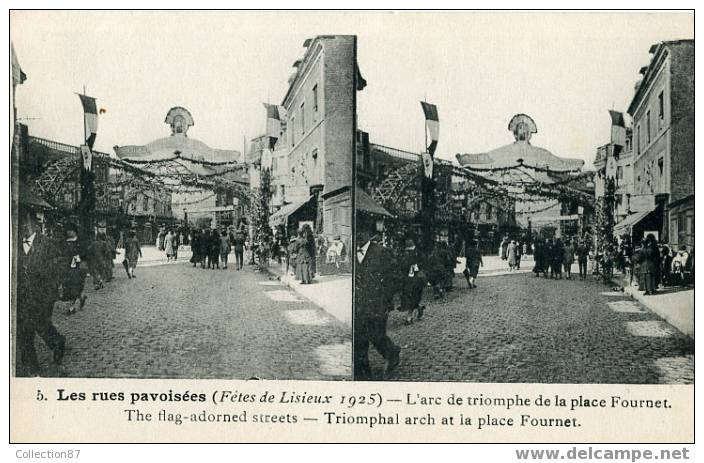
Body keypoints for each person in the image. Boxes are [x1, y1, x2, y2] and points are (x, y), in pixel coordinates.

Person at [16, 212, 66, 375]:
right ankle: (32, 368)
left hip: (42, 295)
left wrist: (50, 289)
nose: (23, 226)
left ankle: (57, 341)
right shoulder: (13, 244)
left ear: (35, 224)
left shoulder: (47, 244)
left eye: (26, 222)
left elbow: (58, 268)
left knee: (42, 326)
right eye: (19, 222)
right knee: (24, 331)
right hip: (21, 297)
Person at [354, 229, 401, 380]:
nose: (357, 236)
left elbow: (393, 279)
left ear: (368, 234)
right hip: (358, 305)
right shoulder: (351, 253)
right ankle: (363, 377)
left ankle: (392, 353)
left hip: (377, 304)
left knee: (377, 336)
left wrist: (386, 303)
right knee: (359, 340)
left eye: (360, 232)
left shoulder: (382, 252)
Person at [59, 223, 88, 314]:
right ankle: (76, 301)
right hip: (67, 269)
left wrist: (80, 258)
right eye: (67, 230)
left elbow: (85, 254)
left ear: (74, 231)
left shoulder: (80, 242)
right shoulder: (64, 243)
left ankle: (73, 305)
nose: (69, 232)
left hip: (78, 269)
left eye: (71, 230)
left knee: (76, 286)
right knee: (68, 287)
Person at [398, 238, 426, 324]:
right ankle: (419, 308)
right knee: (409, 297)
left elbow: (423, 265)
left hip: (417, 279)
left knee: (413, 297)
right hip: (408, 280)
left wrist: (417, 267)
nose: (409, 252)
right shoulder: (404, 255)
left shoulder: (419, 254)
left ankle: (409, 318)